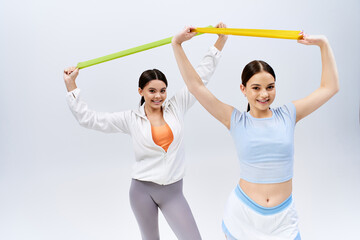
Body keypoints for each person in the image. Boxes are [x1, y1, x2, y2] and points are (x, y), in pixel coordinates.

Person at [63, 23, 227, 240]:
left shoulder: (177, 106)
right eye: (152, 91)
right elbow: (89, 119)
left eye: (162, 91)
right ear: (141, 91)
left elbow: (200, 79)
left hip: (173, 192)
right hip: (141, 191)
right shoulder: (130, 119)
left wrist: (219, 42)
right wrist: (71, 87)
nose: (158, 96)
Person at [171, 27, 339, 240]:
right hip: (243, 215)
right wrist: (177, 45)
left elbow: (330, 87)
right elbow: (195, 86)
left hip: (283, 219)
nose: (264, 94)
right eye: (256, 88)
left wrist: (323, 43)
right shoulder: (235, 119)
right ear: (243, 89)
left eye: (270, 87)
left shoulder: (288, 114)